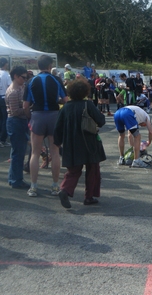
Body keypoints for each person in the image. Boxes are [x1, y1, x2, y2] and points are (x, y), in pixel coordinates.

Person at [54, 79, 106, 208]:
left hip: (71, 143)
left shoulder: (66, 107)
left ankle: (65, 190)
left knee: (73, 171)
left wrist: (57, 143)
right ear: (85, 92)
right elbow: (101, 121)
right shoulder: (88, 105)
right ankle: (89, 197)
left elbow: (58, 128)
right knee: (93, 170)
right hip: (89, 142)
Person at [23, 55, 68, 197]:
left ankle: (33, 187)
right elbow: (66, 101)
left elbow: (25, 105)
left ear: (38, 66)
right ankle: (55, 186)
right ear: (50, 66)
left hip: (37, 115)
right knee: (55, 152)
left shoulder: (31, 81)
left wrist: (30, 117)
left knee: (35, 153)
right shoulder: (57, 80)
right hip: (54, 115)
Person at [5, 65, 30, 189]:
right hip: (16, 121)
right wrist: (28, 109)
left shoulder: (20, 88)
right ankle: (16, 180)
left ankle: (13, 178)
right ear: (15, 76)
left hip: (18, 121)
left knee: (17, 152)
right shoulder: (13, 91)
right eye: (23, 77)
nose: (25, 80)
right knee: (18, 153)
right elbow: (15, 111)